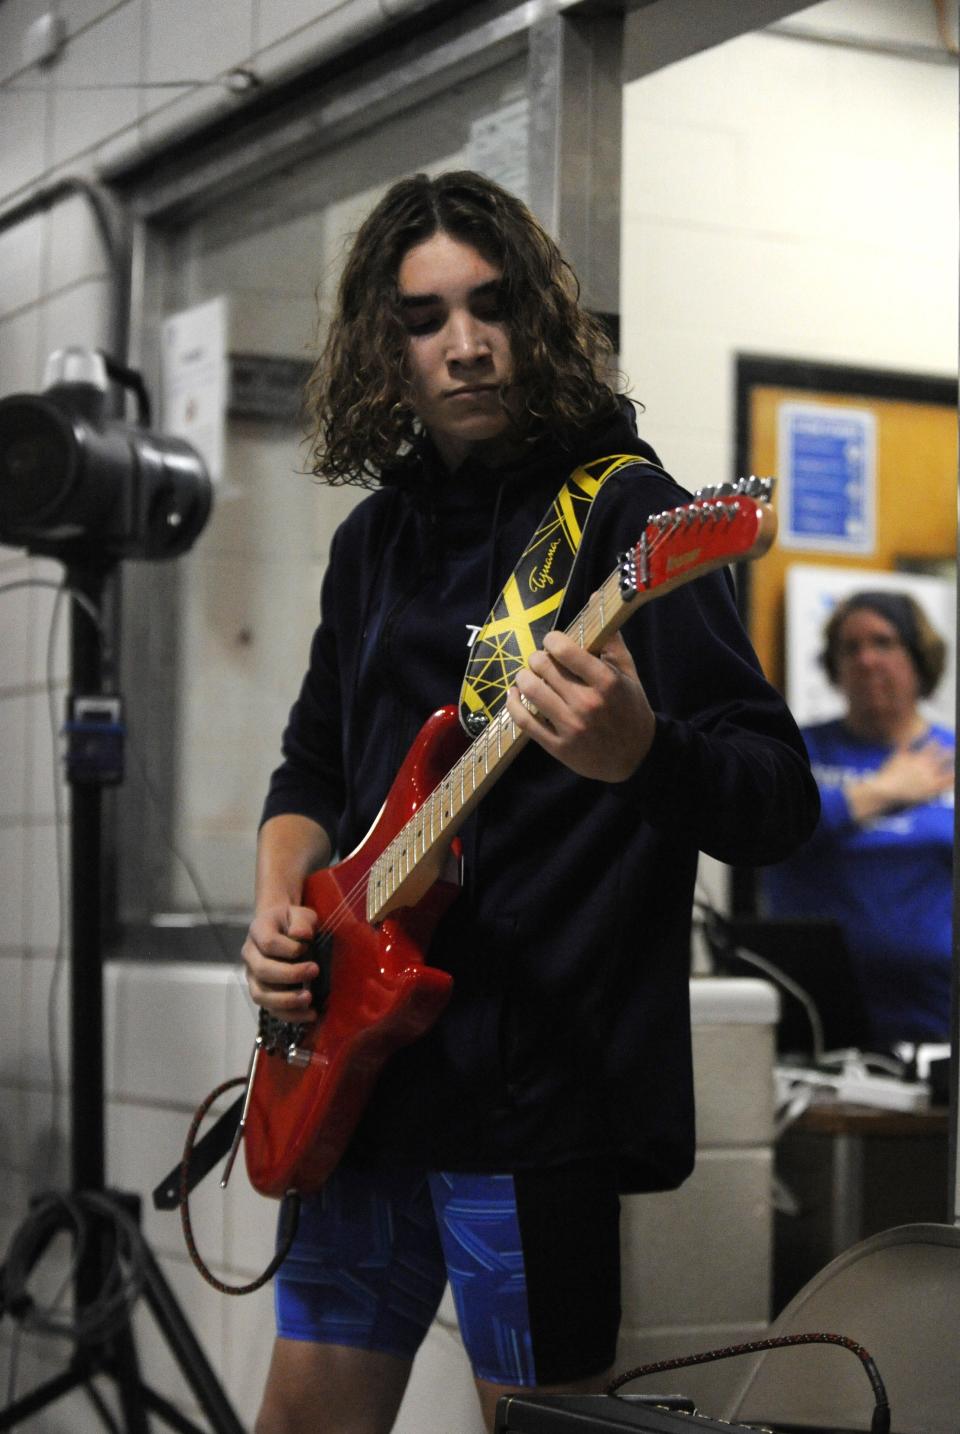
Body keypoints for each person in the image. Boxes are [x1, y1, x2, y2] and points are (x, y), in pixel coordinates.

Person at [241, 170, 819, 1434]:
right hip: (357, 1078)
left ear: (536, 319)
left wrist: (640, 752)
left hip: (535, 1098)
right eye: (426, 318)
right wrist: (282, 911)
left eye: (492, 306)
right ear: (383, 352)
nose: (465, 343)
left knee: (541, 1426)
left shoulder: (625, 514)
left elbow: (780, 800)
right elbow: (313, 773)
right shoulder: (374, 542)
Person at [763, 589, 954, 1048]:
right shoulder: (795, 751)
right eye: (850, 648)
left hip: (936, 1015)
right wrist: (883, 791)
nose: (867, 660)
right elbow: (766, 830)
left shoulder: (950, 756)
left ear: (918, 657)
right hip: (812, 1018)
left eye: (884, 642)